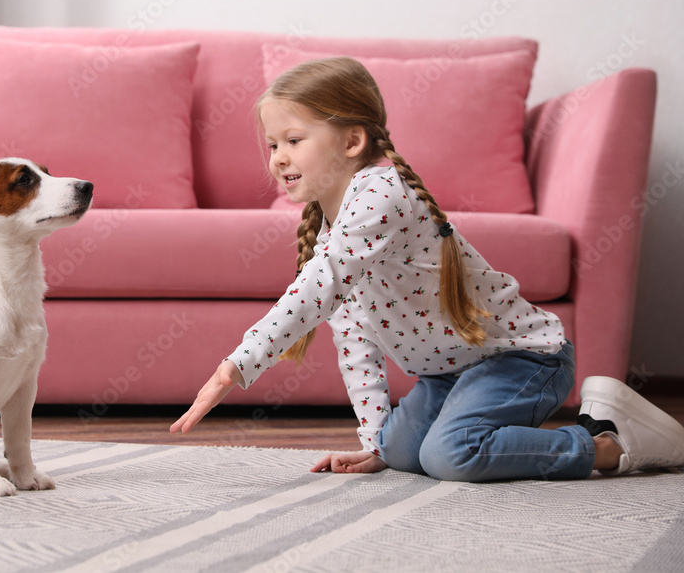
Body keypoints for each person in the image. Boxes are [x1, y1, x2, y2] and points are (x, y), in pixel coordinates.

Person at [170, 57, 684, 481]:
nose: (278, 157)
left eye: (294, 140)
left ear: (352, 142)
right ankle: (575, 425)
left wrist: (235, 366)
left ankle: (607, 445)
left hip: (523, 359)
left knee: (450, 455)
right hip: (445, 376)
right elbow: (356, 347)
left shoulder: (381, 194)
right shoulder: (330, 235)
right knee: (399, 451)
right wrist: (374, 444)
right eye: (273, 144)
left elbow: (317, 287)